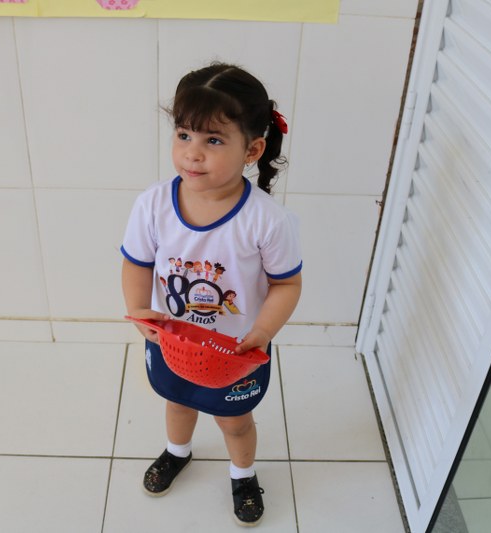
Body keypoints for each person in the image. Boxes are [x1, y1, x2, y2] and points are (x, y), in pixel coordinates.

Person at [120, 62, 302, 527]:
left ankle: (243, 474)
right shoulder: (153, 204)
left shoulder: (267, 220)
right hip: (172, 341)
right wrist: (139, 310)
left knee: (235, 422)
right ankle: (177, 451)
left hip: (237, 351)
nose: (192, 153)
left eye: (213, 140)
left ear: (252, 149)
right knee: (178, 401)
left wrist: (262, 333)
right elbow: (137, 264)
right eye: (184, 135)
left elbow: (286, 284)